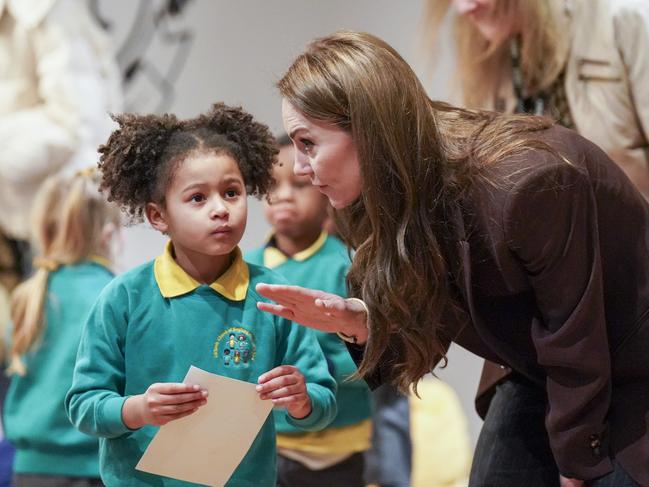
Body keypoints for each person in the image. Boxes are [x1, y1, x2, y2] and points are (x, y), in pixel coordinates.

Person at [254, 30, 649, 487]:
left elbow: (574, 335)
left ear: (366, 128)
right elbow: (429, 307)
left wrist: (575, 464)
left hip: (628, 367)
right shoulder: (367, 194)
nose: (300, 169)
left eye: (307, 144)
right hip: (538, 364)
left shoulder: (524, 185)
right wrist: (360, 320)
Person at [422, 1, 649, 484]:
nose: (466, 7)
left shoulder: (621, 23)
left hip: (628, 313)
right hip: (540, 332)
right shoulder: (490, 56)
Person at [64, 104, 337, 487]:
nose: (220, 210)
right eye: (197, 198)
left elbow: (323, 401)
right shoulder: (123, 298)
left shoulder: (274, 295)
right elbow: (82, 405)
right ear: (159, 216)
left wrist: (302, 399)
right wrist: (138, 409)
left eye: (231, 192)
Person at [246, 134, 372, 486]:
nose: (284, 195)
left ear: (326, 191)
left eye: (299, 184)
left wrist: (315, 373)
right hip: (264, 443)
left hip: (336, 446)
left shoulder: (348, 264)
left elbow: (373, 353)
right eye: (273, 185)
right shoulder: (244, 268)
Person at [3, 169, 120, 487]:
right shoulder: (114, 294)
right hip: (95, 469)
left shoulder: (28, 294)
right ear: (108, 235)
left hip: (29, 472)